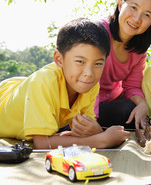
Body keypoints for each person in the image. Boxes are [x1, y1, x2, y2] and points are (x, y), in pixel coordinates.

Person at [0, 18, 130, 149]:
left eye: (98, 63)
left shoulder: (90, 85)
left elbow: (84, 132)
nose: (89, 73)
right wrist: (102, 140)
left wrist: (97, 132)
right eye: (80, 61)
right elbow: (42, 143)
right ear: (59, 59)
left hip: (22, 87)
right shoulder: (43, 83)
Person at [95, 0, 151, 130]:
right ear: (120, 4)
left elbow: (131, 86)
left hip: (108, 104)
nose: (137, 19)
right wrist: (90, 120)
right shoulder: (97, 33)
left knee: (131, 110)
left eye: (147, 15)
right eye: (133, 7)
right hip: (81, 103)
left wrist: (142, 104)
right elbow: (85, 82)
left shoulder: (138, 51)